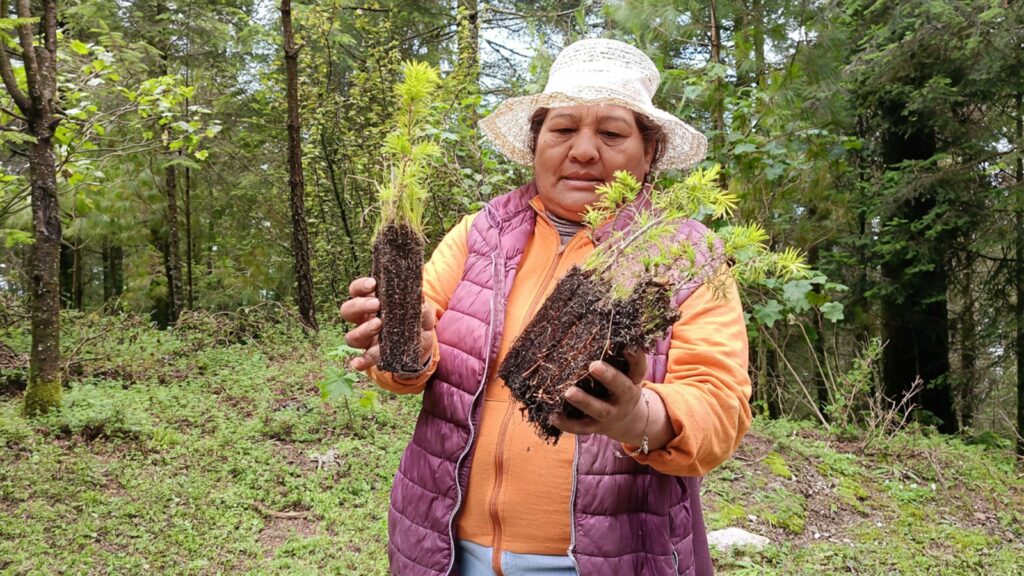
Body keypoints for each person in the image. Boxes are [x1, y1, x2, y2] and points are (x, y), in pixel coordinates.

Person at [341, 38, 751, 576]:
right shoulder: (480, 236)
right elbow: (417, 364)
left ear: (649, 151)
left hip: (607, 560)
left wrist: (636, 417)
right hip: (446, 549)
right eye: (562, 129)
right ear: (536, 141)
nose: (583, 151)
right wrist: (405, 351)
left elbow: (719, 408)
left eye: (611, 133)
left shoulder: (684, 256)